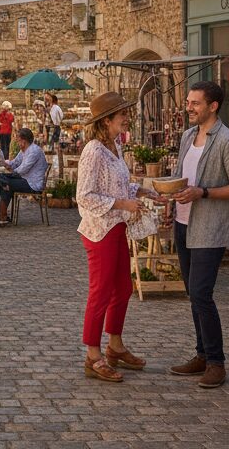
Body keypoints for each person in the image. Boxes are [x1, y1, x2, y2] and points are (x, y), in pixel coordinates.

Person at [166, 81, 229, 389]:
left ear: (213, 106)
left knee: (202, 293)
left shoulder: (228, 141)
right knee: (193, 293)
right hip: (183, 223)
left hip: (210, 228)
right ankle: (201, 354)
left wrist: (203, 192)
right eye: (188, 102)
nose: (189, 107)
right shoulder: (187, 136)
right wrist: (169, 199)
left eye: (195, 103)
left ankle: (216, 362)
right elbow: (182, 178)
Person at [76, 91, 151, 383]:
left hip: (117, 226)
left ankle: (115, 346)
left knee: (123, 288)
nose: (126, 118)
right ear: (107, 120)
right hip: (99, 230)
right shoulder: (93, 151)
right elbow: (84, 196)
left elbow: (117, 186)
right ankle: (93, 355)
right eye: (122, 114)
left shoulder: (115, 146)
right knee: (101, 292)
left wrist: (142, 191)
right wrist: (123, 204)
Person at [0, 127, 48, 222]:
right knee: (4, 181)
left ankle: (1, 215)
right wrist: (3, 163)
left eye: (18, 140)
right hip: (25, 180)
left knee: (5, 182)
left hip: (33, 184)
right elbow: (15, 162)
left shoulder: (34, 151)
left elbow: (22, 169)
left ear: (24, 141)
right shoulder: (24, 150)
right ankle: (2, 215)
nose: (17, 142)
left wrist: (10, 171)